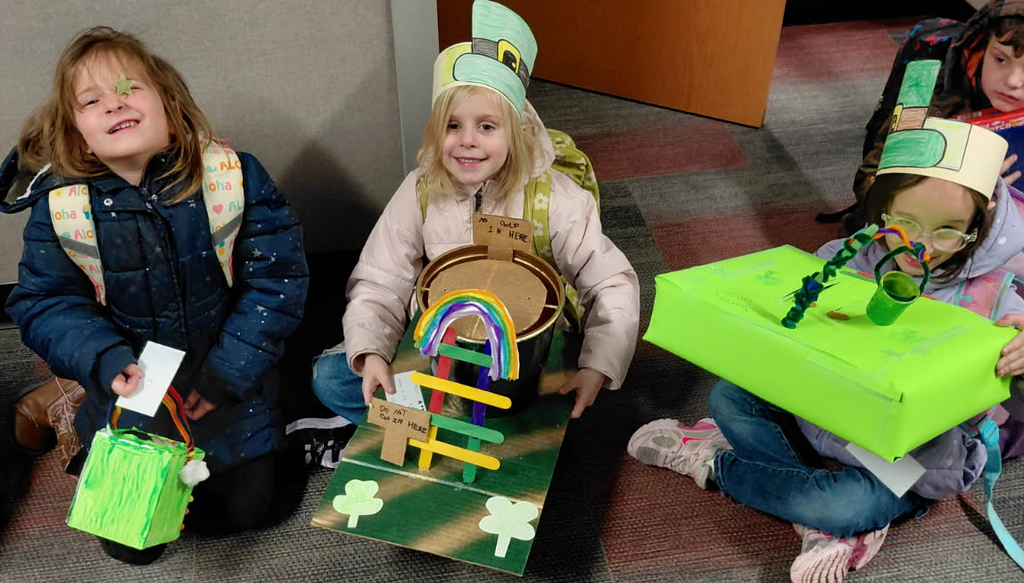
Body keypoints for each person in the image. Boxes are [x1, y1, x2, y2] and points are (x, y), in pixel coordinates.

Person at [629, 98, 1024, 581]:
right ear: (881, 211)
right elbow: (790, 345)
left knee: (843, 506)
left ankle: (715, 464)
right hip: (819, 415)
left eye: (948, 232)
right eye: (907, 224)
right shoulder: (840, 258)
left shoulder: (998, 298)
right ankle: (829, 523)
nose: (923, 248)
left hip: (906, 461)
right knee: (728, 397)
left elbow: (1016, 407)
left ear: (977, 225)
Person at [0, 26, 308, 564]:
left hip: (227, 389)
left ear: (170, 102)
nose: (114, 104)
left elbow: (276, 285)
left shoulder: (232, 177)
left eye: (129, 89)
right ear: (76, 133)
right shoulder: (64, 209)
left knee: (247, 512)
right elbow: (44, 302)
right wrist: (103, 358)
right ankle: (65, 398)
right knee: (131, 543)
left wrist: (226, 377)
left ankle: (74, 404)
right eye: (92, 101)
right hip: (130, 396)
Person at [306, 0, 639, 451]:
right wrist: (370, 353)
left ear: (517, 131)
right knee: (332, 377)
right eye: (453, 126)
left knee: (563, 403)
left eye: (486, 126)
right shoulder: (420, 190)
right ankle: (462, 431)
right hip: (439, 347)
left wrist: (596, 366)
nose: (467, 140)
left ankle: (458, 430)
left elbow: (612, 284)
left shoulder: (557, 198)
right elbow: (380, 281)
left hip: (525, 353)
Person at [824, 0, 1024, 231]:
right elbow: (870, 182)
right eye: (1000, 59)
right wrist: (950, 196)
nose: (1012, 81)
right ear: (979, 50)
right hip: (922, 227)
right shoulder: (931, 101)